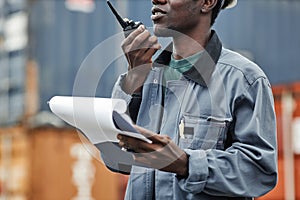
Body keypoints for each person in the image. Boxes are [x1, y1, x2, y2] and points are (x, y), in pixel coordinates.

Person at [99, 0, 278, 199]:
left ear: (208, 2)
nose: (156, 0)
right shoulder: (144, 76)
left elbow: (259, 172)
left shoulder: (243, 79)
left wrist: (185, 163)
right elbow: (113, 158)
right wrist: (134, 77)